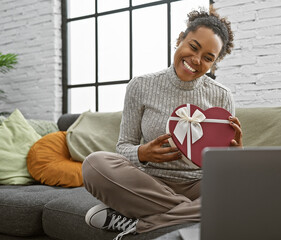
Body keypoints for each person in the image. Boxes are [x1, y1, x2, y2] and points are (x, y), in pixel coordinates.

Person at [82, 6, 242, 239]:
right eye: (193, 47)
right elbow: (123, 146)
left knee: (246, 190)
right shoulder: (141, 86)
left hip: (198, 185)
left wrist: (234, 155)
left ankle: (140, 224)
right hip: (147, 182)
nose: (196, 60)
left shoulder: (221, 96)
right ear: (180, 40)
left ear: (214, 64)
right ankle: (193, 212)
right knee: (94, 164)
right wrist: (143, 153)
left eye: (208, 58)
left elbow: (221, 165)